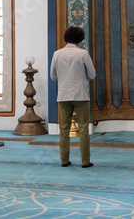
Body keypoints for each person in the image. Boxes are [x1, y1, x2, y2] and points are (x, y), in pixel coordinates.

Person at [50, 26, 96, 168]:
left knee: (63, 129)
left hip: (63, 95)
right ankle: (85, 161)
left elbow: (53, 77)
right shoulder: (83, 54)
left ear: (66, 38)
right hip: (81, 95)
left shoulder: (57, 54)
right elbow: (92, 75)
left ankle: (64, 160)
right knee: (83, 129)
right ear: (80, 38)